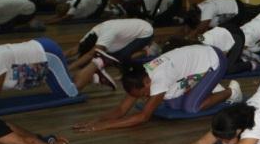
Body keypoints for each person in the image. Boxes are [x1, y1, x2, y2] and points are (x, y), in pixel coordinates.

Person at [72, 44, 240, 132]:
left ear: (146, 83)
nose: (145, 97)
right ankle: (205, 86)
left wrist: (105, 126)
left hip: (214, 60)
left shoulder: (159, 78)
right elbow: (122, 109)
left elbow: (143, 117)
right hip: (196, 63)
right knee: (173, 104)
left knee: (191, 107)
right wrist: (97, 120)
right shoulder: (139, 77)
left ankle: (230, 92)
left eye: (144, 94)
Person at [0, 38, 116, 105]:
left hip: (48, 54)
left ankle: (98, 61)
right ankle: (94, 75)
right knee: (61, 86)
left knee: (70, 93)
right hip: (37, 55)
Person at [196, 9, 260, 74]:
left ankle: (253, 64)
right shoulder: (198, 41)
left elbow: (225, 55)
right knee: (257, 48)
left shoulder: (246, 39)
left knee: (227, 68)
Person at [67, 18, 155, 69]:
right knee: (89, 59)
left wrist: (69, 68)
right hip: (131, 30)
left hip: (145, 32)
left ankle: (148, 50)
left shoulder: (107, 35)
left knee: (122, 57)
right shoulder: (93, 32)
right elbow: (74, 49)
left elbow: (91, 54)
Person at [184, 0, 260, 37]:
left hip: (237, 10)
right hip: (231, 17)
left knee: (257, 14)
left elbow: (201, 28)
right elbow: (198, 30)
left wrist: (188, 38)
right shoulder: (198, 11)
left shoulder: (207, 8)